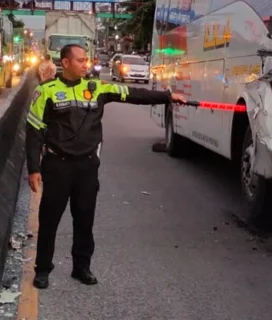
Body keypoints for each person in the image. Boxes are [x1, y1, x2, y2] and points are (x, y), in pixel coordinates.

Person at [25, 44, 186, 289]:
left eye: (86, 60)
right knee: (49, 220)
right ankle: (43, 269)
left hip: (87, 167)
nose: (85, 64)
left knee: (84, 219)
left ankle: (81, 268)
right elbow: (34, 132)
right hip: (57, 166)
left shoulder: (97, 88)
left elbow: (133, 94)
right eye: (79, 60)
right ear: (65, 63)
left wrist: (166, 97)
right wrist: (34, 168)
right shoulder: (46, 91)